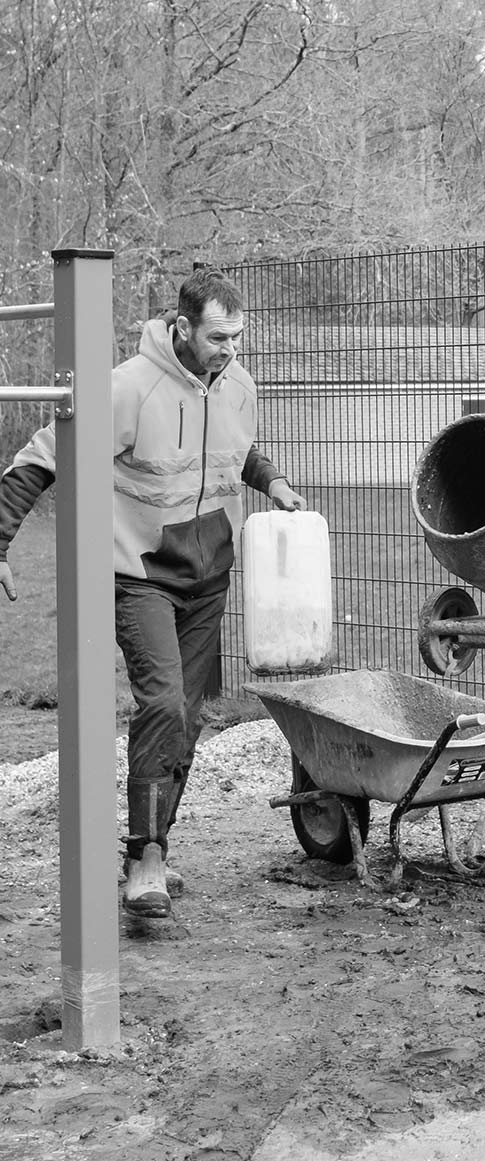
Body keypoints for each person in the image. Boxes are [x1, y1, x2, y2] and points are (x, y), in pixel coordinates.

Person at [0, 268, 305, 918]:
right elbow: (44, 453)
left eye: (238, 336)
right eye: (219, 337)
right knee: (163, 703)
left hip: (207, 578)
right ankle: (144, 859)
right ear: (183, 326)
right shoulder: (129, 388)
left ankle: (154, 850)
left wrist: (272, 481)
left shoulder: (239, 385)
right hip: (138, 573)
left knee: (191, 719)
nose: (231, 349)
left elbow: (235, 451)